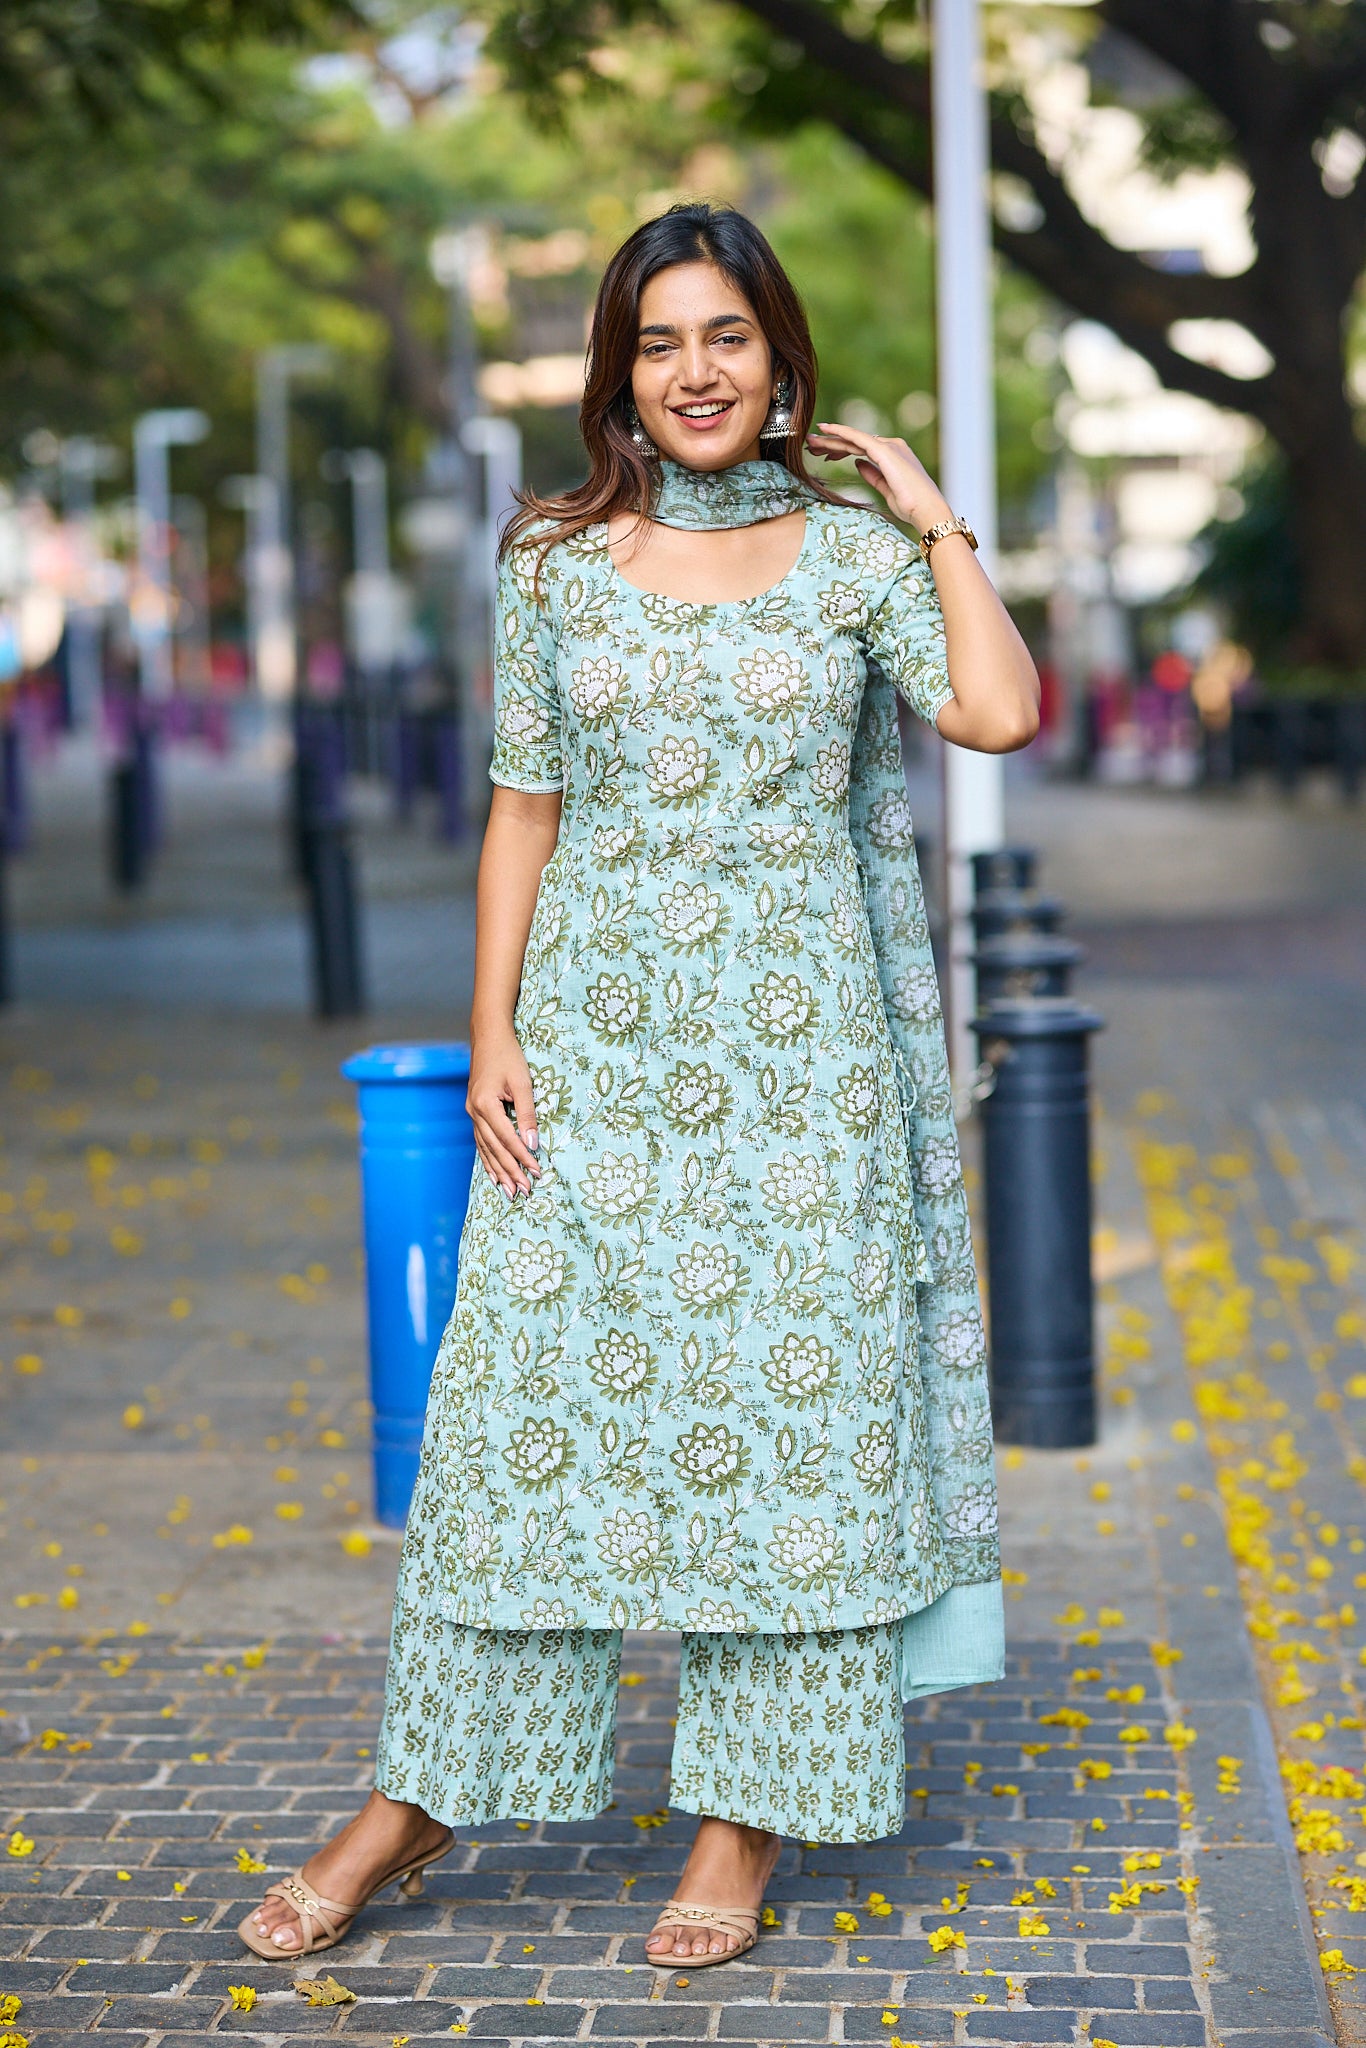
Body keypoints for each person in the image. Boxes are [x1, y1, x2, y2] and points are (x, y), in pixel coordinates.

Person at [240, 200, 1039, 1972]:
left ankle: (738, 1825)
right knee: (518, 1435)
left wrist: (931, 518)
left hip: (804, 1080)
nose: (695, 371)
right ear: (621, 369)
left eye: (726, 337)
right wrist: (496, 1030)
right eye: (660, 341)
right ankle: (416, 1798)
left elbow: (995, 713)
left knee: (784, 1443)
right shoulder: (553, 561)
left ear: (778, 358)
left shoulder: (853, 558)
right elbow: (523, 806)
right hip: (593, 1065)